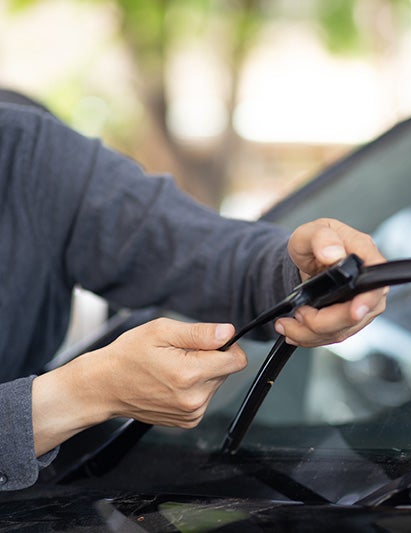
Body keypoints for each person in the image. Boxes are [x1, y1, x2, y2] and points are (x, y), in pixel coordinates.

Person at [0, 97, 387, 491]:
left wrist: (307, 276)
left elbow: (210, 257)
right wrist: (78, 395)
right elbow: (81, 395)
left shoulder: (27, 154)